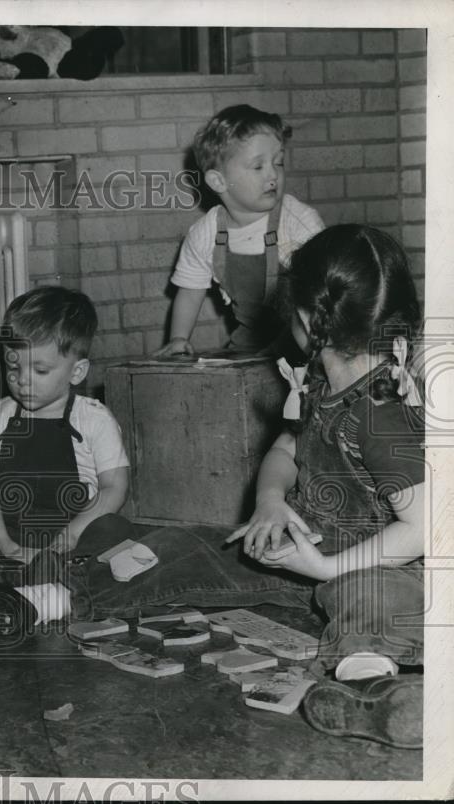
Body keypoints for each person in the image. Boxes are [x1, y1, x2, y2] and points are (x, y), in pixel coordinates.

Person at [91, 224, 425, 748]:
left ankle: (371, 693)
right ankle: (42, 594)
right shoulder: (321, 381)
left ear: (308, 318)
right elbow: (286, 450)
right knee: (188, 544)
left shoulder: (381, 416)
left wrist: (328, 568)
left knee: (369, 599)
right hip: (309, 552)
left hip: (378, 569)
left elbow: (425, 528)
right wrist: (270, 502)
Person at [0, 286, 131, 629]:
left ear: (76, 372)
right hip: (7, 531)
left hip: (71, 535)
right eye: (13, 367)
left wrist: (70, 535)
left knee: (117, 531)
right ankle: (17, 574)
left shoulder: (94, 419)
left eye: (39, 370)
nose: (22, 380)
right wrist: (5, 544)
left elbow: (114, 488)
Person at [155, 104, 325, 358]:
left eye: (278, 163)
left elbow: (324, 295)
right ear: (218, 181)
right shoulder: (206, 233)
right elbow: (190, 293)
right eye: (258, 167)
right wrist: (179, 339)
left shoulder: (297, 221)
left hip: (304, 346)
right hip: (248, 349)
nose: (272, 175)